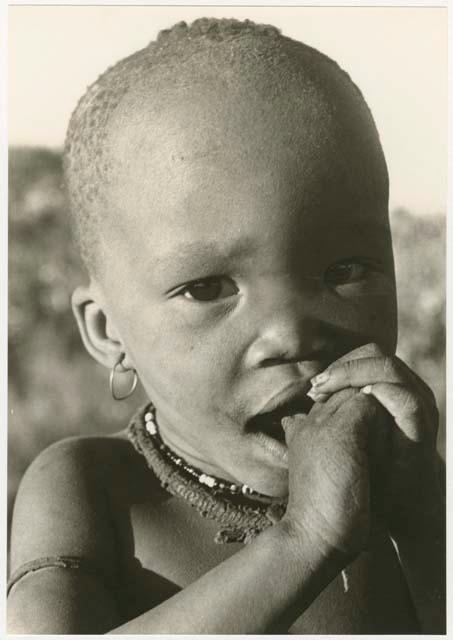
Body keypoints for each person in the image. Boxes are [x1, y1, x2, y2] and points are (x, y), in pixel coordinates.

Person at [7, 18, 445, 634]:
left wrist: (427, 513)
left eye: (345, 269)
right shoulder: (91, 487)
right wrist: (305, 540)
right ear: (109, 333)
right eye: (208, 288)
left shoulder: (410, 492)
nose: (291, 334)